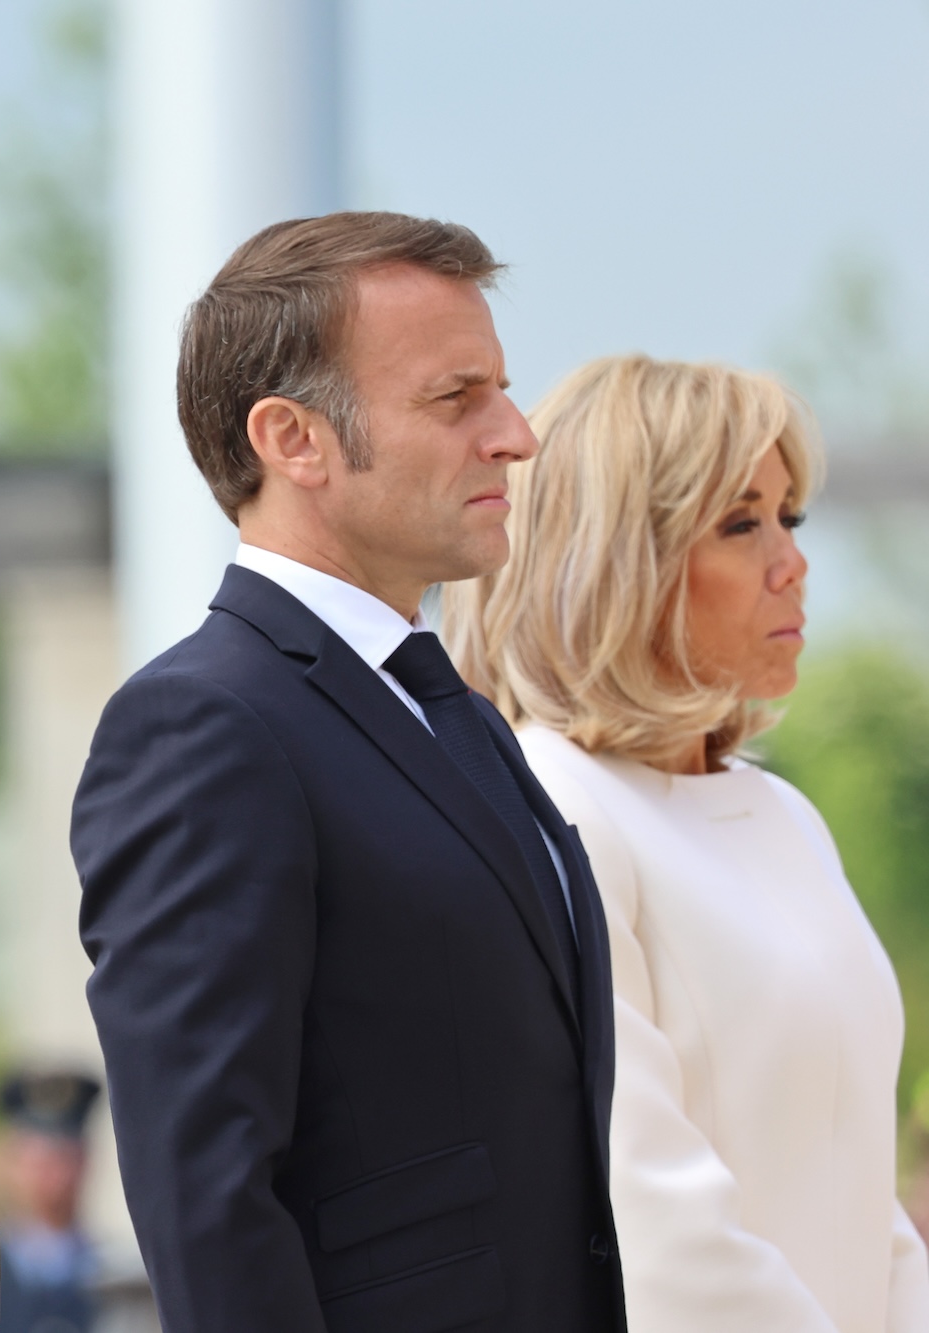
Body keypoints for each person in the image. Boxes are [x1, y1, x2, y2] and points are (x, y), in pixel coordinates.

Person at [72, 212, 623, 1333]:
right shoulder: (203, 724)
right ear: (292, 440)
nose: (513, 435)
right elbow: (206, 1189)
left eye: (501, 392)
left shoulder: (450, 712)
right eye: (452, 397)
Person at [444, 354, 929, 1332]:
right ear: (618, 557)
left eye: (786, 517)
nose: (790, 563)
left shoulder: (782, 814)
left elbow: (854, 1188)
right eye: (739, 523)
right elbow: (650, 1217)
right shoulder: (551, 808)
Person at [0, 1072, 103, 1333]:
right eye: (39, 1162)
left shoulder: (112, 1269)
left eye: (65, 1159)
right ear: (11, 1162)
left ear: (85, 1162)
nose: (55, 1177)